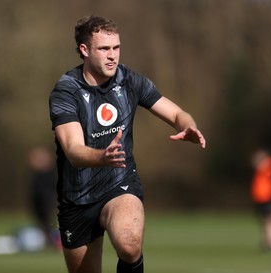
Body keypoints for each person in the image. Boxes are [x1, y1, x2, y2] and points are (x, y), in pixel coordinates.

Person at [49, 15, 206, 273]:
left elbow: (177, 113)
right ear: (84, 50)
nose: (112, 56)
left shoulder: (129, 80)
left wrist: (187, 126)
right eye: (104, 49)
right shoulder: (66, 91)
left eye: (116, 48)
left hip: (119, 185)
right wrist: (102, 157)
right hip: (77, 199)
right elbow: (74, 151)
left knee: (130, 243)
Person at [27, 146, 61, 251]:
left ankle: (55, 242)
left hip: (47, 200)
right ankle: (49, 242)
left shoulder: (51, 172)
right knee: (43, 223)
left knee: (49, 222)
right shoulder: (37, 175)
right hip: (38, 201)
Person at [250, 149, 271, 252]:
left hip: (269, 198)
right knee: (266, 220)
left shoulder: (270, 168)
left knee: (270, 219)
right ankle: (269, 240)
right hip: (262, 199)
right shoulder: (261, 170)